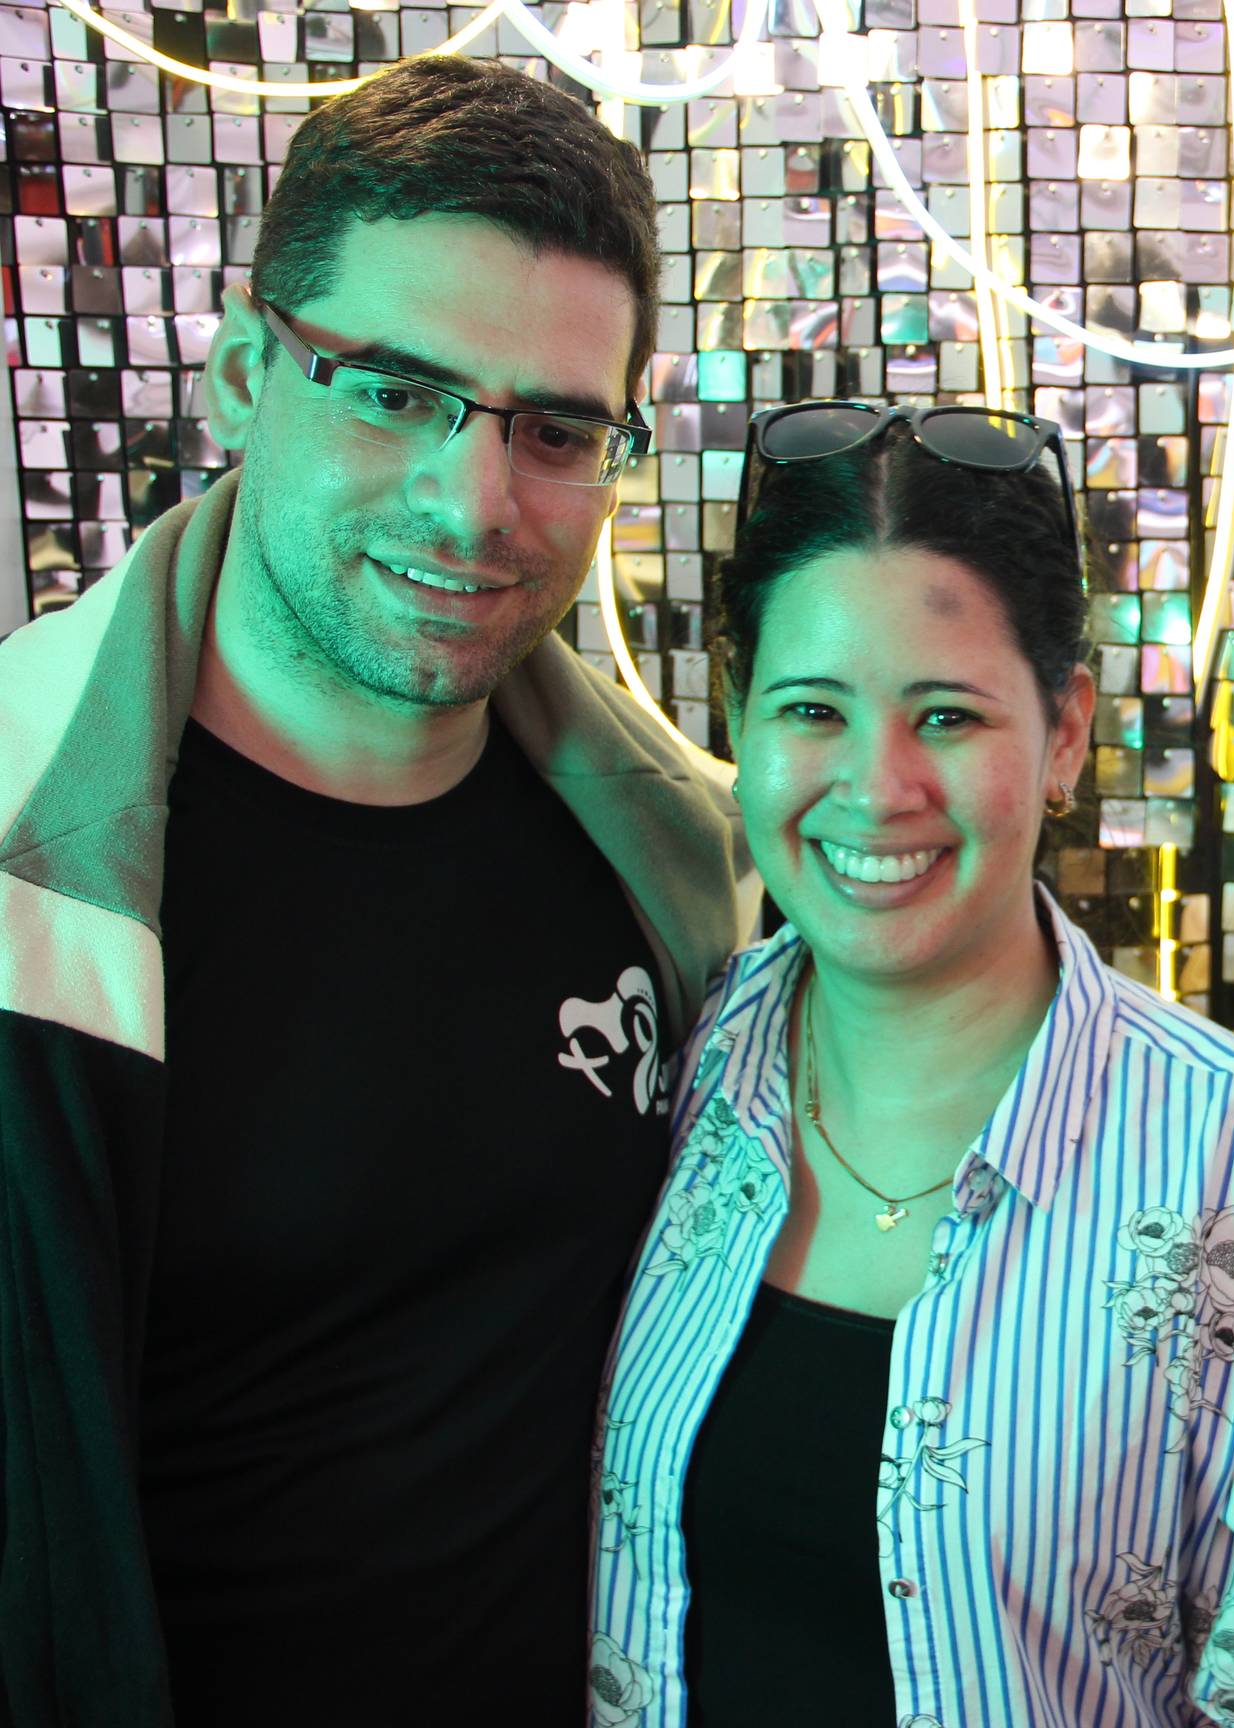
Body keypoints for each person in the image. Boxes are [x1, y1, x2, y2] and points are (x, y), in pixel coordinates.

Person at [0, 57, 753, 1722]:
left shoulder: (675, 863)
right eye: (397, 392)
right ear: (244, 371)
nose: (474, 504)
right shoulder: (30, 875)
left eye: (555, 430)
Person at [586, 399, 1234, 1727]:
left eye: (947, 717)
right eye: (811, 708)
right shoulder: (669, 1065)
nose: (875, 786)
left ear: (1065, 730)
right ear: (736, 711)